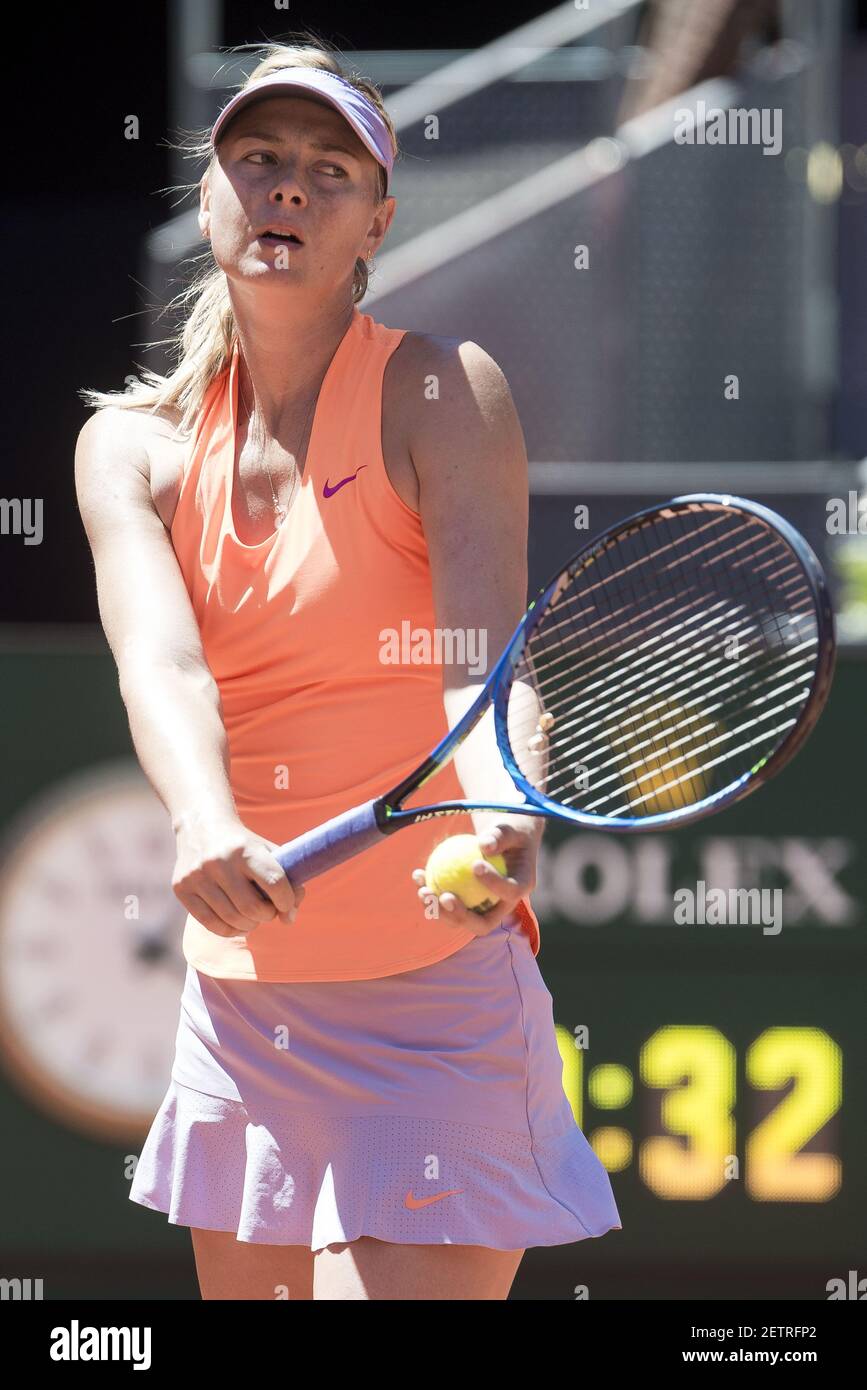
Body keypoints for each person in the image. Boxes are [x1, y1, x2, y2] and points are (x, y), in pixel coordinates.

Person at [75, 37, 621, 1301]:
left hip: (431, 1005)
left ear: (375, 221)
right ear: (207, 193)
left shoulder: (442, 389)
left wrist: (504, 804)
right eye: (258, 159)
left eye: (328, 170)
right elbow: (162, 662)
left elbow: (481, 668)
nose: (287, 189)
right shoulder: (130, 449)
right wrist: (204, 821)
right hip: (244, 1020)